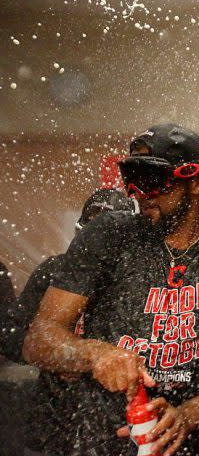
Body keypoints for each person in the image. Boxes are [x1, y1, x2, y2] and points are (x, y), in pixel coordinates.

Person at [23, 125, 199, 456]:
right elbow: (39, 339)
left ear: (197, 181)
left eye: (153, 179)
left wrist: (187, 416)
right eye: (132, 179)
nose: (140, 193)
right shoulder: (106, 238)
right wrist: (95, 354)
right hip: (105, 440)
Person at [0, 189, 134, 453]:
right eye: (90, 234)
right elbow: (9, 335)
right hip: (55, 423)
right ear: (77, 233)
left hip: (120, 428)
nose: (96, 245)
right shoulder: (54, 272)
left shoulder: (138, 282)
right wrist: (56, 354)